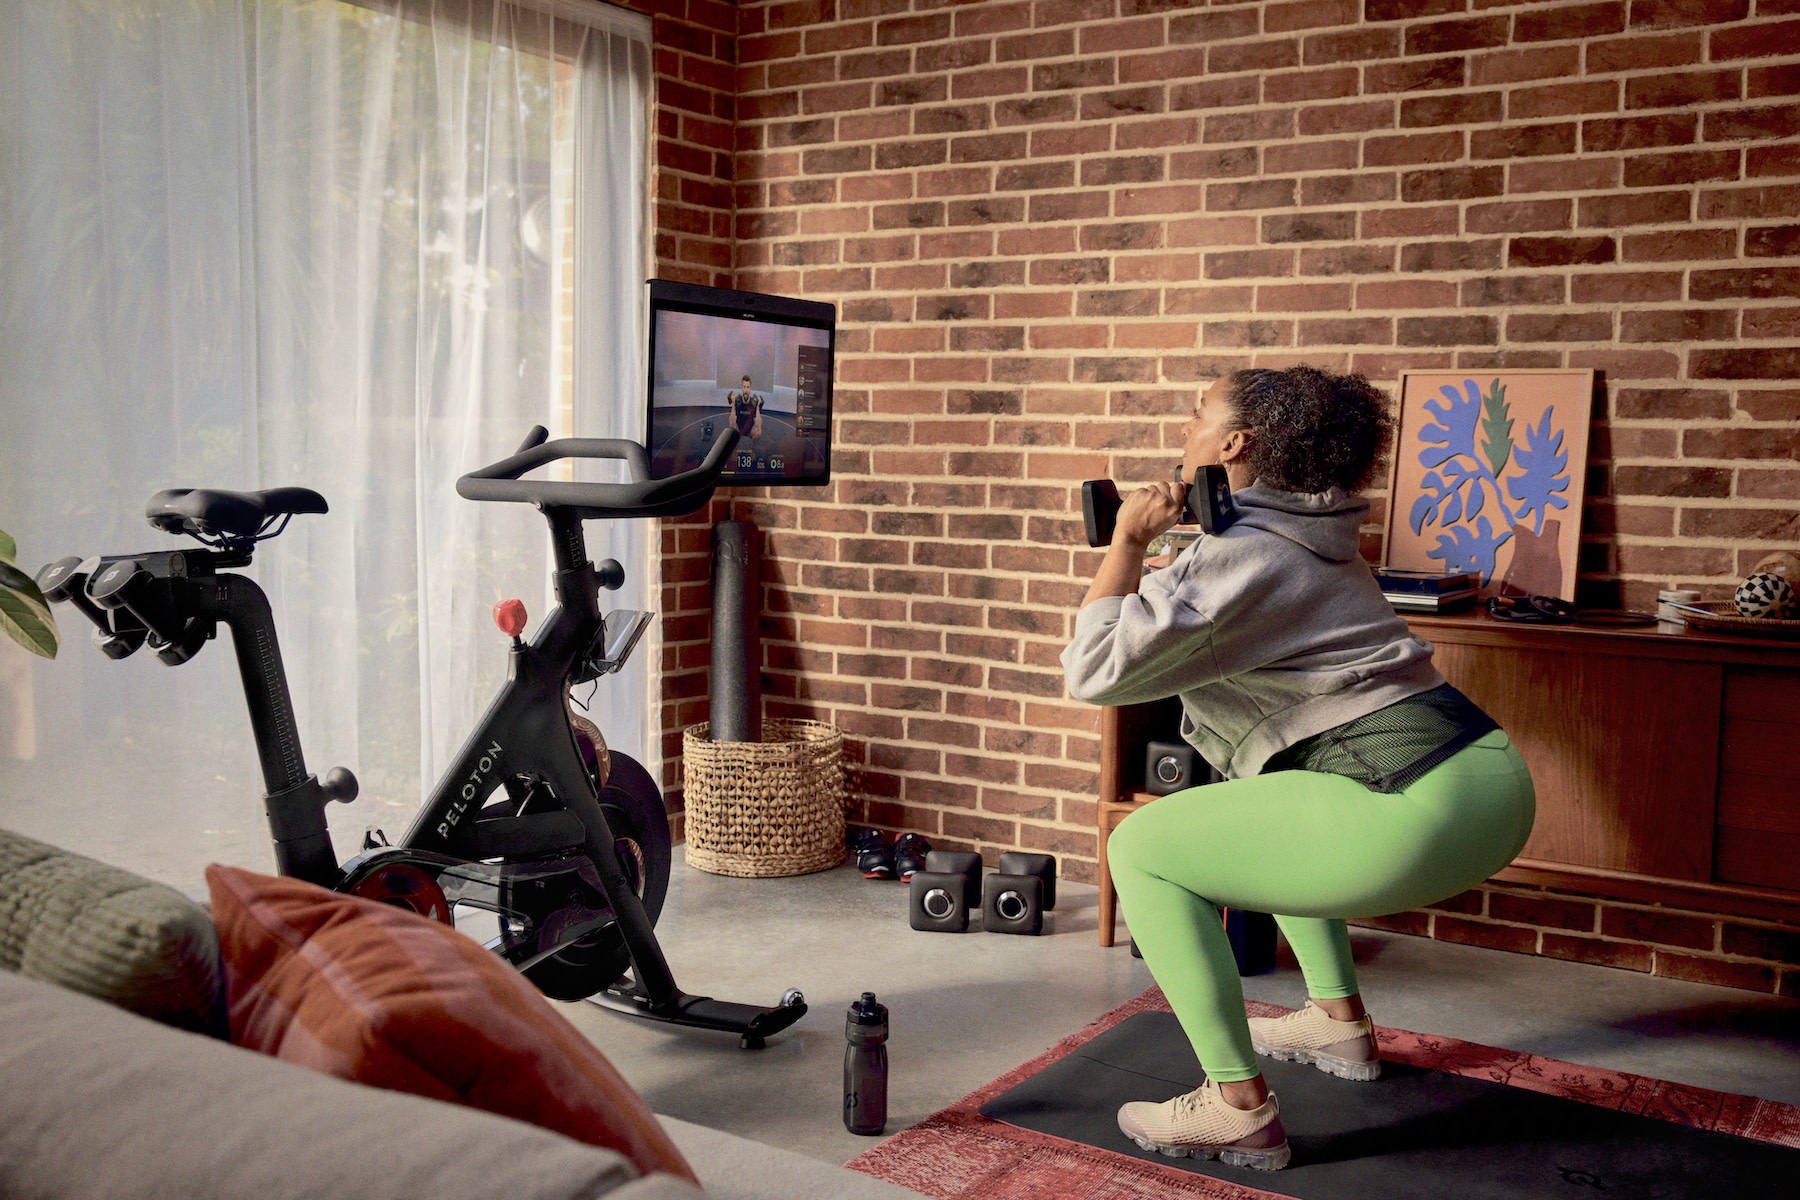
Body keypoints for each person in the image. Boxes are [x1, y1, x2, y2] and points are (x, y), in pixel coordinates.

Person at [1060, 365, 1535, 1171]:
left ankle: (1234, 1107)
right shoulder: (1319, 536)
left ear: (1235, 443)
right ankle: (1336, 1023)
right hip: (1487, 780)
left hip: (1414, 808)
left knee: (1138, 849)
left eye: (1198, 415)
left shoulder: (1240, 554)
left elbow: (1096, 669)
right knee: (1278, 790)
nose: (1189, 427)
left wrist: (1127, 546)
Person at [727, 375, 763, 441]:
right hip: (739, 429)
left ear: (750, 389)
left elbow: (758, 424)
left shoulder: (753, 403)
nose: (746, 390)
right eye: (744, 387)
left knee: (758, 432)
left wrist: (757, 406)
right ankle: (736, 448)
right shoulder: (738, 402)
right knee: (732, 430)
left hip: (750, 430)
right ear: (742, 388)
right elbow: (731, 423)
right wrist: (733, 403)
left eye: (748, 387)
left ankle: (752, 448)